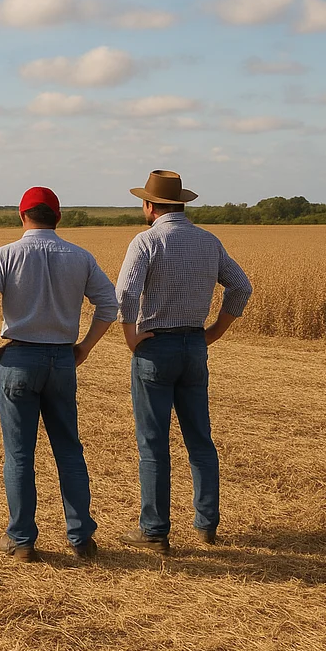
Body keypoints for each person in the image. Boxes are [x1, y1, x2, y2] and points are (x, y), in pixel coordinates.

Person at [0, 187, 118, 562]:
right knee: (69, 451)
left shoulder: (6, 255)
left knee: (19, 455)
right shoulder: (80, 257)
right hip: (62, 360)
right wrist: (84, 347)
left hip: (18, 360)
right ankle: (81, 538)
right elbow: (110, 305)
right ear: (57, 217)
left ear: (22, 215)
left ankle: (22, 540)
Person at [115, 170, 252, 553]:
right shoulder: (209, 241)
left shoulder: (146, 241)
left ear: (149, 205)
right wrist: (214, 331)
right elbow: (241, 286)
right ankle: (207, 525)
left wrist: (130, 335)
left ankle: (154, 530)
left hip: (155, 347)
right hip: (194, 346)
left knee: (153, 443)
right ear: (181, 204)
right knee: (200, 439)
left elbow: (125, 293)